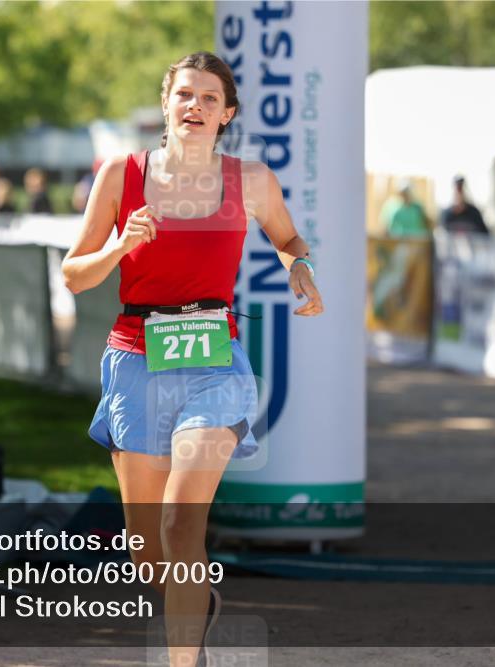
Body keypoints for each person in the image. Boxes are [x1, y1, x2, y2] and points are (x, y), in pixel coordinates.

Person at [61, 51, 323, 667]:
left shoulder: (250, 181)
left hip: (214, 364)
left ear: (227, 113)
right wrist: (121, 246)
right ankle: (194, 610)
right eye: (185, 95)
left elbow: (288, 238)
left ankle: (184, 661)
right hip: (134, 360)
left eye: (210, 98)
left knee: (182, 523)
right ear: (165, 104)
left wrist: (302, 272)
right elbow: (74, 276)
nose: (195, 107)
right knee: (146, 547)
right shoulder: (120, 177)